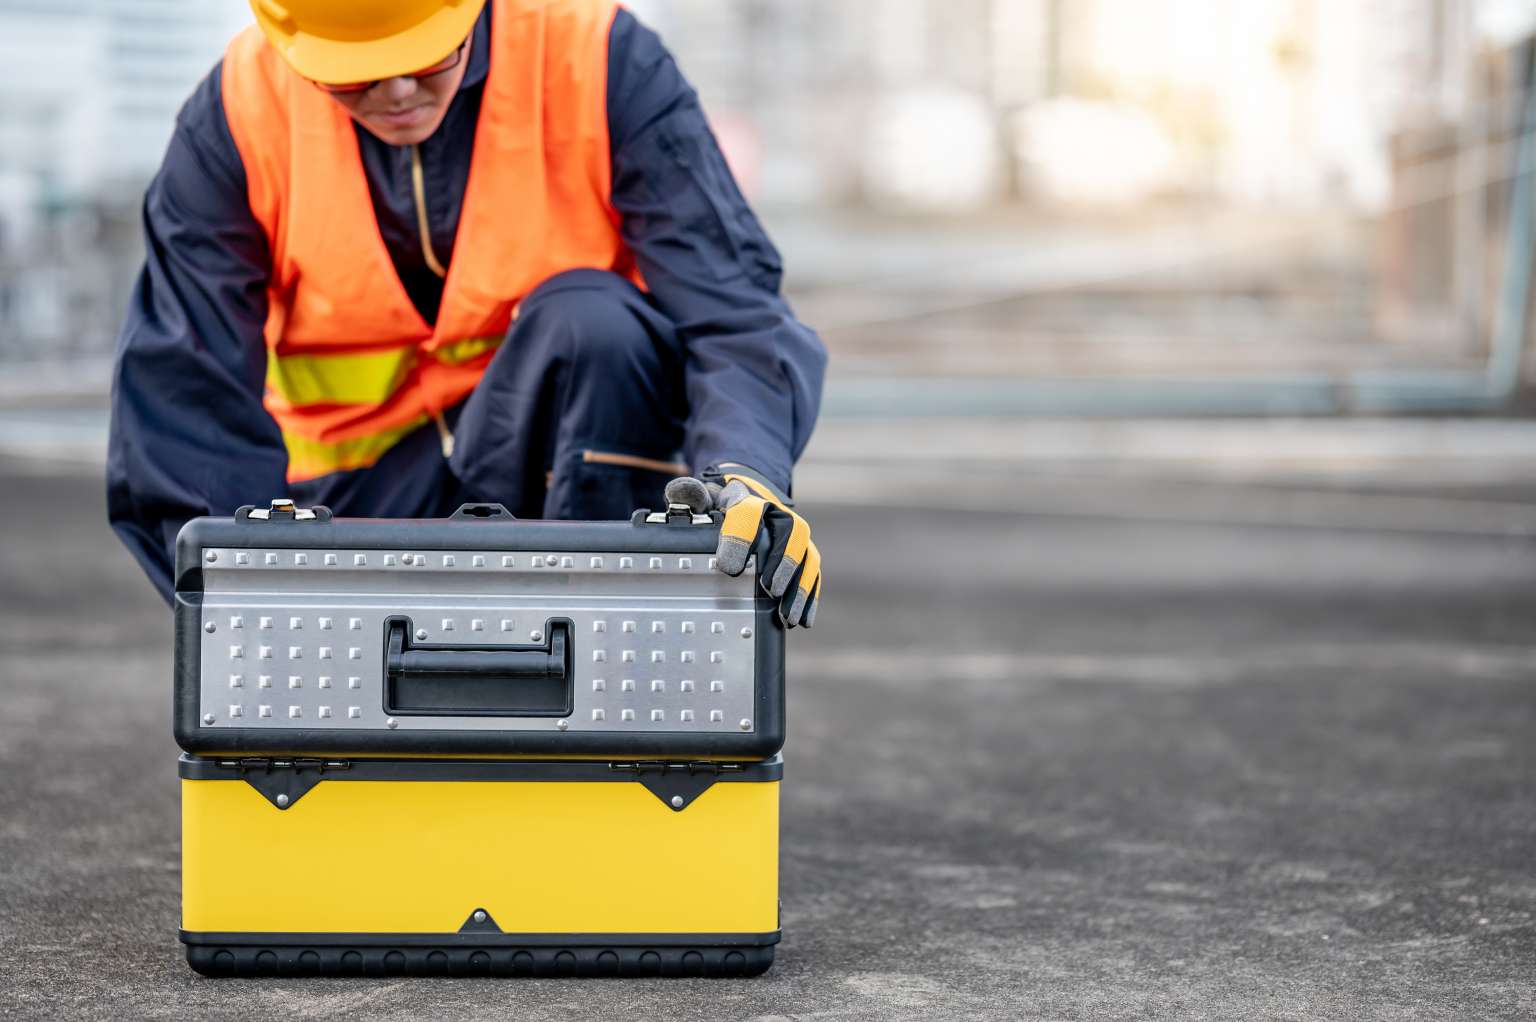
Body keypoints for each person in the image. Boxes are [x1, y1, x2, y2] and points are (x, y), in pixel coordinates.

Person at [107, 0, 825, 626]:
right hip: (354, 505)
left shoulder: (598, 60)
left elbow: (732, 311)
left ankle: (601, 624)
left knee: (596, 325)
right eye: (352, 77)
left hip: (564, 484)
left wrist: (747, 472)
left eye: (428, 60)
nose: (396, 92)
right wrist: (241, 595)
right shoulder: (238, 113)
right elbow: (185, 384)